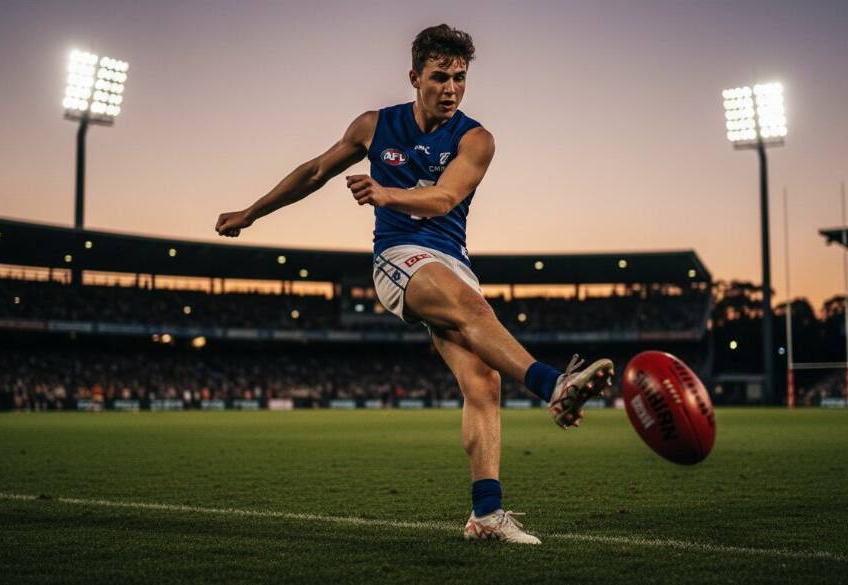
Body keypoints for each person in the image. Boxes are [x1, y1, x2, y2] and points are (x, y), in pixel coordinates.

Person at [215, 24, 614, 545]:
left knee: (483, 383)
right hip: (398, 258)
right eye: (440, 77)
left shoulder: (476, 139)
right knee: (474, 313)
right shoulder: (375, 126)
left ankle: (486, 516)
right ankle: (551, 384)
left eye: (460, 78)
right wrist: (251, 212)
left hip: (452, 262)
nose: (451, 88)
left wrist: (385, 193)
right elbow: (314, 171)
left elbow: (445, 199)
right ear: (414, 77)